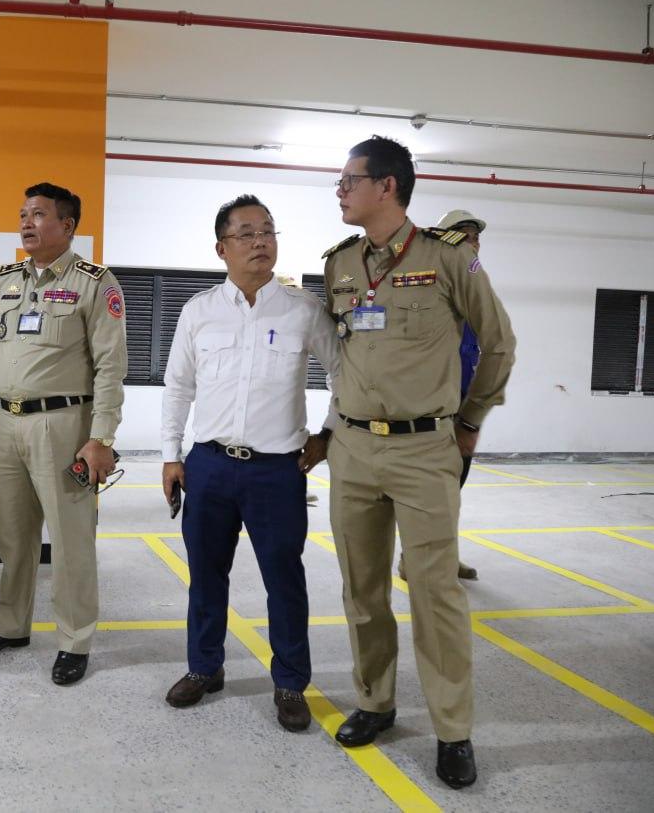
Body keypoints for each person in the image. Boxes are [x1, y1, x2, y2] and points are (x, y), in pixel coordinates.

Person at [323, 136, 515, 789]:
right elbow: (342, 353)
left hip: (424, 449)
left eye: (349, 179)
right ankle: (375, 701)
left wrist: (469, 420)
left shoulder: (448, 257)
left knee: (435, 594)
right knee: (362, 588)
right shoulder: (340, 263)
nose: (340, 190)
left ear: (387, 186)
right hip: (353, 448)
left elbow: (498, 342)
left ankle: (453, 730)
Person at [160, 195, 340, 731]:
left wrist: (328, 434)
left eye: (267, 231)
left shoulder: (303, 309)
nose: (260, 242)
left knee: (284, 579)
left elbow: (344, 373)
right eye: (246, 233)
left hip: (277, 471)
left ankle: (290, 681)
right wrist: (171, 456)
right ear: (222, 248)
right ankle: (204, 667)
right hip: (210, 466)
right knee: (205, 575)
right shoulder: (199, 311)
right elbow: (178, 386)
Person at [0, 182, 127, 685]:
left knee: (71, 541)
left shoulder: (95, 283)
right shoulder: (9, 279)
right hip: (7, 423)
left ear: (67, 225)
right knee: (13, 536)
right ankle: (11, 625)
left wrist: (101, 438)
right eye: (22, 214)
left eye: (37, 214)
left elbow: (111, 367)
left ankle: (75, 639)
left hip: (64, 425)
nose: (25, 223)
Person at [398, 208, 486, 583]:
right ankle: (411, 559)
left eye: (476, 238)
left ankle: (446, 557)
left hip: (462, 409)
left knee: (453, 489)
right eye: (464, 236)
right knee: (423, 492)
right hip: (429, 410)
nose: (473, 243)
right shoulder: (426, 285)